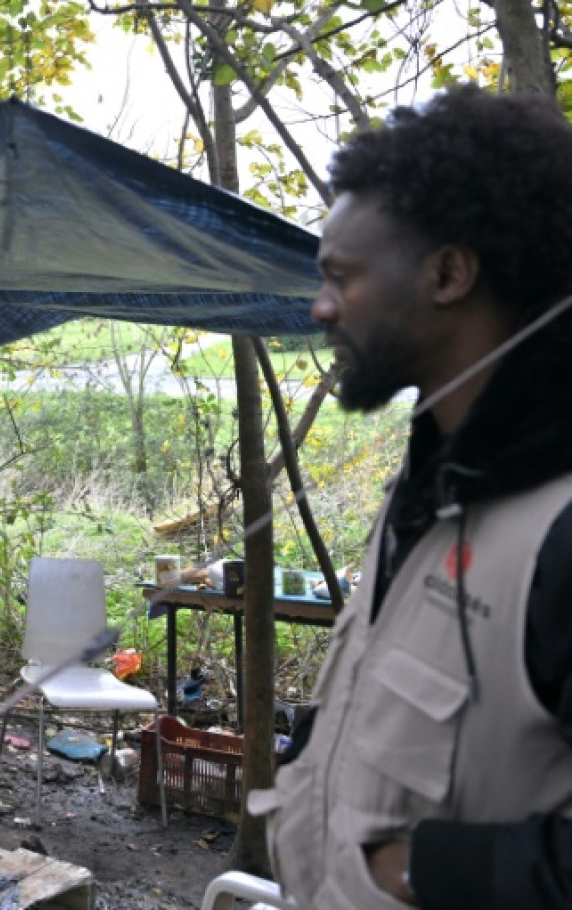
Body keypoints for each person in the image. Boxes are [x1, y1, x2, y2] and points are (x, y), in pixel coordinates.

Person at [247, 84, 572, 909]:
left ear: (449, 273)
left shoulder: (560, 532)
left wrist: (422, 871)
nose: (319, 308)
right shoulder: (425, 492)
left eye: (341, 277)